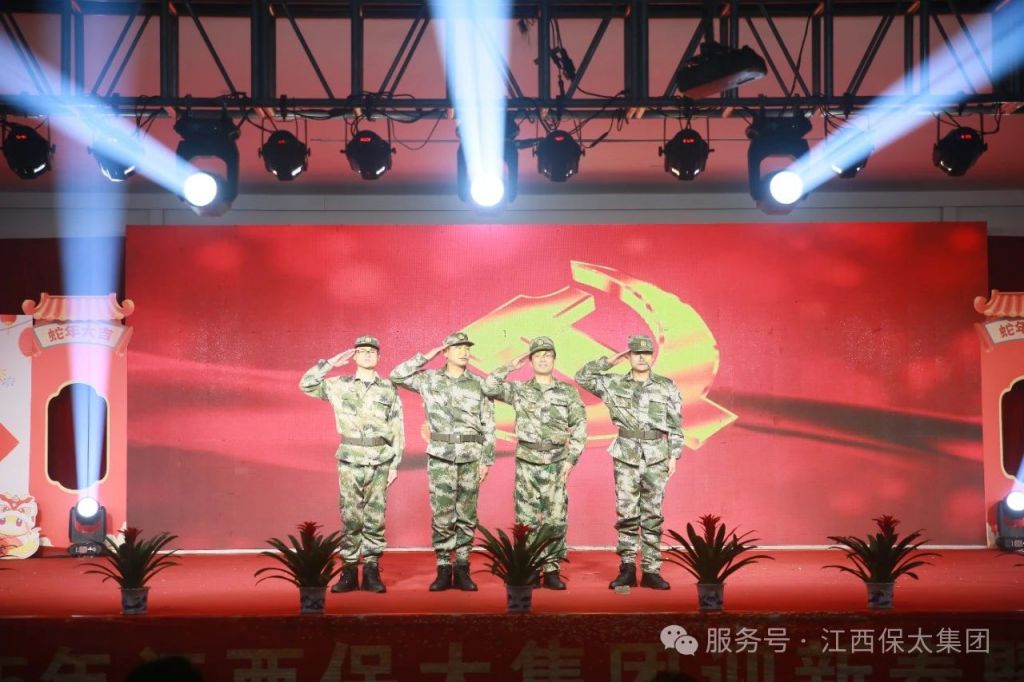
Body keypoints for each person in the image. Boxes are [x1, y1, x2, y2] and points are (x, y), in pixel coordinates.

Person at [575, 334, 683, 590]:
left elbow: (676, 424)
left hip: (657, 455)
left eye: (646, 353)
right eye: (636, 353)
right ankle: (627, 568)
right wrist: (610, 361)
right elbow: (582, 377)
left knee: (653, 514)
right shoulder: (613, 384)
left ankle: (651, 570)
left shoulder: (666, 386)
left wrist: (674, 455)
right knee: (627, 514)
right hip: (626, 454)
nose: (641, 358)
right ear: (629, 356)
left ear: (652, 356)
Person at [390, 331, 495, 592]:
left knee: (467, 514)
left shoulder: (480, 384)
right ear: (445, 352)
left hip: (471, 455)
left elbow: (489, 424)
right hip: (441, 455)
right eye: (457, 347)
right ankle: (443, 567)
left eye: (466, 348)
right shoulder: (429, 379)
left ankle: (462, 567)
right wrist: (427, 355)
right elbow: (397, 375)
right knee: (442, 513)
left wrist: (487, 460)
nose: (464, 352)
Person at [299, 335, 404, 594]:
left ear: (378, 357)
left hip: (380, 457)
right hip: (350, 457)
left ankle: (371, 570)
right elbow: (306, 384)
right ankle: (348, 571)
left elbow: (397, 426)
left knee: (375, 515)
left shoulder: (388, 388)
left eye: (372, 351)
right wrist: (329, 364)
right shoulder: (338, 385)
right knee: (350, 514)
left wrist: (395, 464)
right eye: (362, 351)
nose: (367, 354)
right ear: (354, 356)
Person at [482, 336, 587, 590]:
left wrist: (571, 459)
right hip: (527, 461)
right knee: (526, 518)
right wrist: (510, 366)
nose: (543, 359)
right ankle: (529, 568)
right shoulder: (519, 389)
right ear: (530, 361)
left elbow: (580, 425)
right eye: (537, 355)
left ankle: (551, 569)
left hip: (556, 461)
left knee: (555, 518)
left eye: (547, 355)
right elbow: (489, 387)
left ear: (554, 359)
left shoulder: (567, 392)